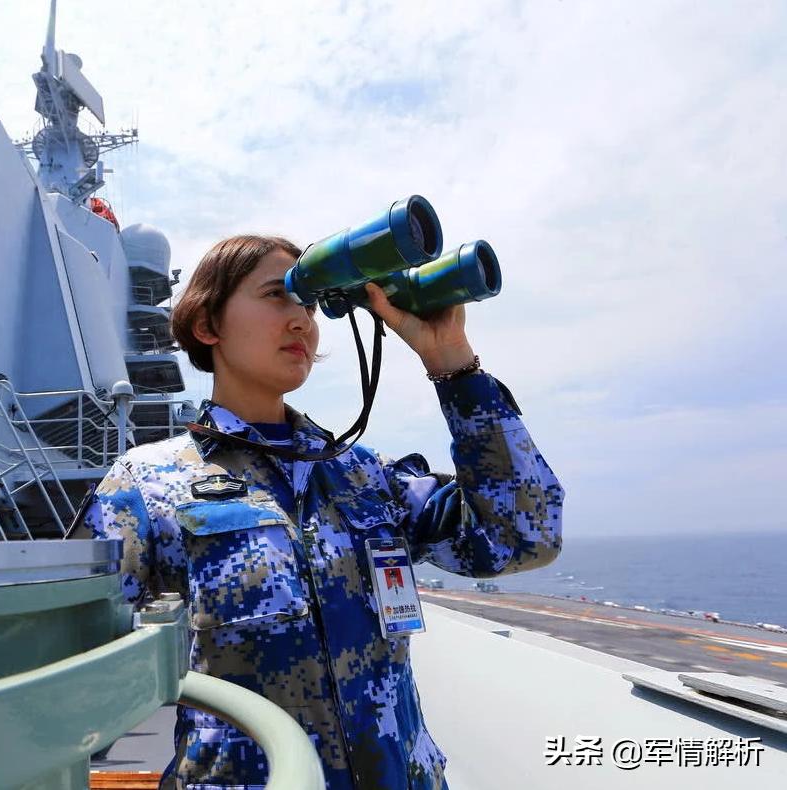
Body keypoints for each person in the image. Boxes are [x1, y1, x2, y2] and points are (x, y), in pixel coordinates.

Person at [85, 234, 564, 789]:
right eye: (276, 296)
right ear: (207, 325)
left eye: (309, 304)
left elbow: (522, 538)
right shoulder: (144, 485)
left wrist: (452, 363)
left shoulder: (366, 474)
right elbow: (80, 671)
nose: (302, 322)